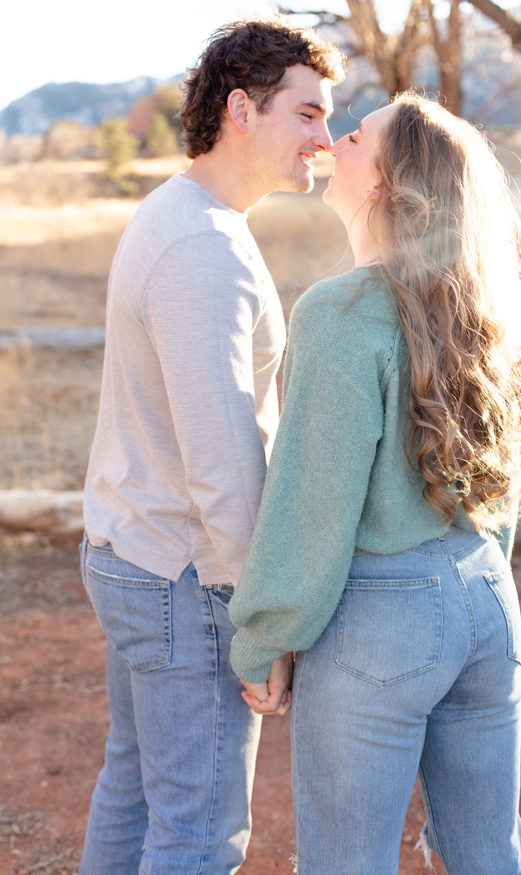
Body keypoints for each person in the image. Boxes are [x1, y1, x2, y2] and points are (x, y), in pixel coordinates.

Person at [229, 92, 521, 875]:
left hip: (381, 621)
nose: (329, 141)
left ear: (384, 184)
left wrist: (268, 636)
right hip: (487, 596)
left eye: (353, 136)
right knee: (491, 856)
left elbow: (313, 501)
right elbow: (502, 480)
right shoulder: (481, 304)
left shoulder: (339, 311)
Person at [79, 18, 344, 875]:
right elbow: (224, 468)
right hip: (183, 578)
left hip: (135, 551)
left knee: (136, 793)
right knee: (197, 834)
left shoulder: (186, 215)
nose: (324, 138)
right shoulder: (203, 248)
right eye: (306, 114)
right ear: (242, 108)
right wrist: (266, 624)